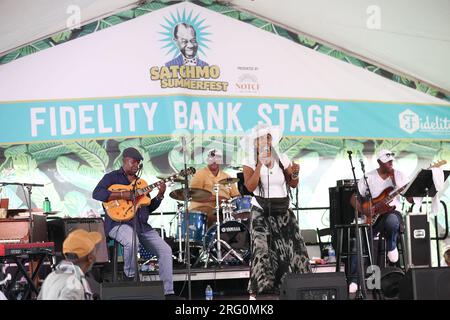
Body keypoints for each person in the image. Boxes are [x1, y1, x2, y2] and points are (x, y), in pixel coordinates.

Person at [92, 147, 177, 299]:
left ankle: (168, 292)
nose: (135, 165)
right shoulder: (112, 177)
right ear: (124, 160)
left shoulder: (141, 183)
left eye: (138, 163)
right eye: (133, 162)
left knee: (165, 250)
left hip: (142, 227)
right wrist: (121, 194)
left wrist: (160, 195)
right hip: (118, 224)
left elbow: (148, 208)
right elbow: (97, 193)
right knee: (132, 241)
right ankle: (130, 277)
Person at [241, 123, 310, 299]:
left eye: (269, 137)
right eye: (262, 138)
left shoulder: (282, 157)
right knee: (261, 250)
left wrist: (294, 173)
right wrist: (259, 165)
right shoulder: (249, 160)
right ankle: (257, 290)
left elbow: (293, 183)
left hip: (283, 210)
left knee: (295, 247)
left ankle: (297, 286)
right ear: (256, 143)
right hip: (261, 212)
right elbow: (249, 187)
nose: (266, 141)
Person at [348, 149, 411, 293]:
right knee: (360, 242)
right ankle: (354, 280)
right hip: (373, 217)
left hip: (392, 213)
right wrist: (364, 210)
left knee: (392, 220)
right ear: (379, 162)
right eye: (386, 161)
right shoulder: (368, 177)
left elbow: (410, 199)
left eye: (391, 161)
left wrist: (396, 182)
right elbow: (353, 198)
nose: (389, 163)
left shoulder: (400, 176)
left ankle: (391, 245)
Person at [37, 229, 102, 300]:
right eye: (95, 251)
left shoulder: (51, 277)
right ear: (91, 258)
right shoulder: (73, 285)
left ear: (66, 255)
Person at [189, 148, 240, 228]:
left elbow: (236, 196)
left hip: (222, 209)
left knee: (238, 219)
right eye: (211, 157)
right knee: (215, 217)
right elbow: (194, 195)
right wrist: (219, 198)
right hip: (201, 209)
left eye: (217, 157)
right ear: (207, 159)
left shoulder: (227, 177)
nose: (214, 160)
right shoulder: (199, 175)